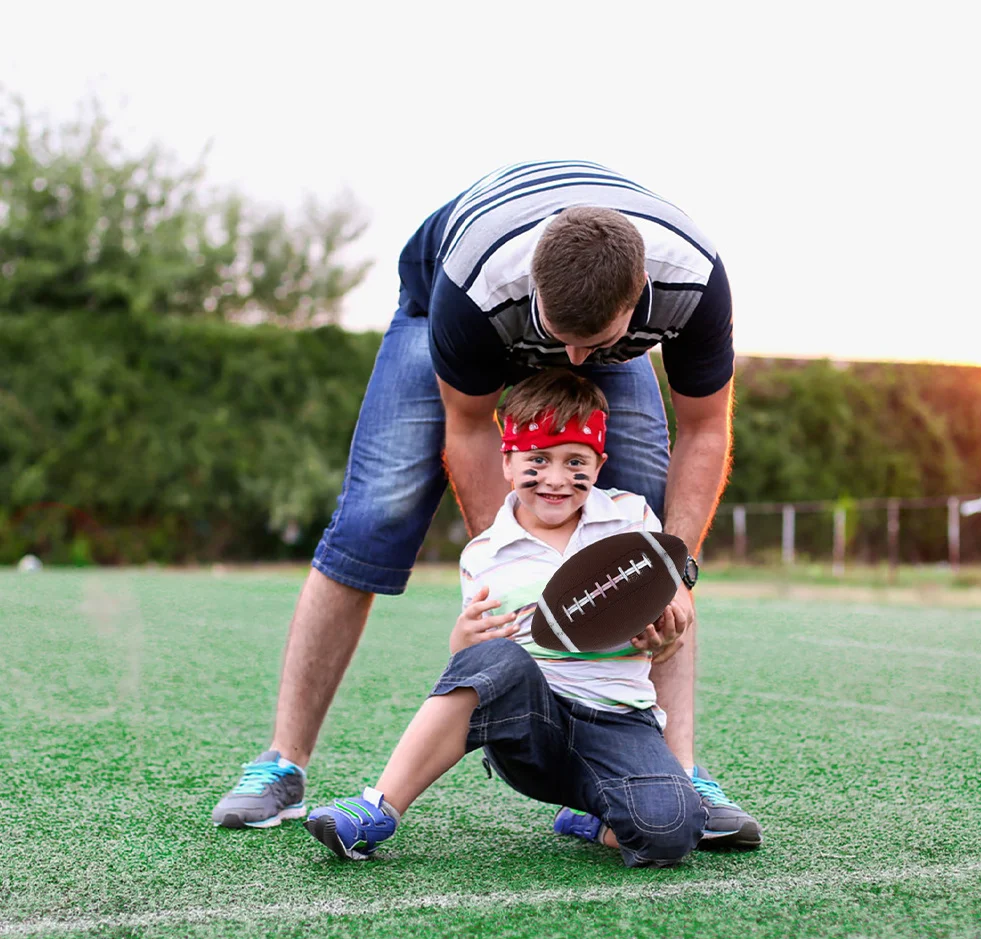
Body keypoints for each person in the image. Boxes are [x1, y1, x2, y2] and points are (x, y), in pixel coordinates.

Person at [212, 160, 761, 849]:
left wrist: (673, 568)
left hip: (587, 310)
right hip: (442, 308)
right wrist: (501, 569)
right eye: (558, 334)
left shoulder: (695, 284)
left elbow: (706, 429)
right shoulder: (477, 289)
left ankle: (677, 772)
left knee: (644, 540)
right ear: (533, 284)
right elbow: (470, 429)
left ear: (640, 295)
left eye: (589, 345)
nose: (569, 357)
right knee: (373, 515)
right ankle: (281, 764)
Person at [305, 371, 707, 866]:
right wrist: (461, 639)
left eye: (574, 461)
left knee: (674, 830)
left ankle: (592, 816)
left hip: (620, 721)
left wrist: (665, 627)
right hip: (530, 726)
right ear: (508, 461)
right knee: (496, 656)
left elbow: (664, 612)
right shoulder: (484, 553)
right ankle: (378, 808)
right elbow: (473, 666)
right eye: (538, 459)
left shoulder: (633, 521)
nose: (556, 479)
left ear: (599, 464)